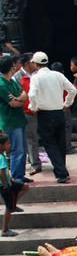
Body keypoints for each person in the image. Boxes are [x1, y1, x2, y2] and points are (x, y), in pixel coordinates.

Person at [27, 51, 76, 183]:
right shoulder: (57, 75)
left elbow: (31, 95)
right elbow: (73, 90)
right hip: (59, 112)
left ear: (35, 64)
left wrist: (33, 107)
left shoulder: (36, 78)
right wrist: (66, 103)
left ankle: (61, 172)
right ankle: (61, 171)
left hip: (44, 114)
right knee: (60, 143)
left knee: (50, 144)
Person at [0, 56, 29, 184]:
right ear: (11, 67)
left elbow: (24, 94)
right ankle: (17, 177)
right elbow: (13, 103)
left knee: (22, 149)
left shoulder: (11, 81)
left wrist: (18, 98)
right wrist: (19, 99)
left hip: (19, 120)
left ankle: (20, 174)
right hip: (10, 121)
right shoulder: (1, 84)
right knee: (17, 150)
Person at [0, 131, 28, 237]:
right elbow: (1, 172)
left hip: (8, 182)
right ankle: (5, 230)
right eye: (7, 143)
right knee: (8, 208)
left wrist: (9, 178)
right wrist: (5, 183)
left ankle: (14, 204)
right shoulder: (1, 158)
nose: (9, 145)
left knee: (25, 186)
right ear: (1, 146)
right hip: (4, 186)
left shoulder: (2, 156)